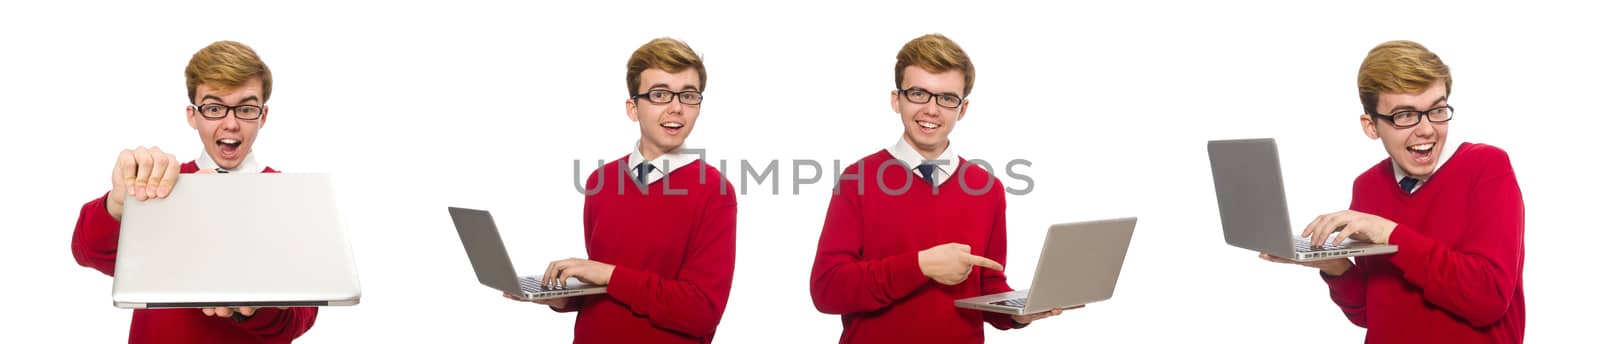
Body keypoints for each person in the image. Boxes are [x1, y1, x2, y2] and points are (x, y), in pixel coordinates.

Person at [808, 33, 1069, 343]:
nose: (931, 110)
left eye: (947, 98)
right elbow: (827, 290)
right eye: (918, 93)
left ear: (963, 109)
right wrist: (920, 266)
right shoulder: (857, 180)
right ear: (897, 100)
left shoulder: (987, 189)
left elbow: (988, 286)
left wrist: (1016, 312)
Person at [1261, 40, 1525, 343]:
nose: (1426, 129)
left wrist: (1389, 233)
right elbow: (1371, 313)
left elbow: (1487, 299)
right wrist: (1334, 266)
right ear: (1371, 126)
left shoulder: (1487, 167)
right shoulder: (1368, 187)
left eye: (1436, 110)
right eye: (1404, 115)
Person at [70, 40, 318, 343]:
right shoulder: (158, 185)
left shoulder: (289, 198)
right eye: (214, 108)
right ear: (192, 115)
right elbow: (90, 253)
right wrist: (120, 203)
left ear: (262, 116)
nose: (231, 124)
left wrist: (253, 307)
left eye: (246, 108)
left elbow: (299, 320)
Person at [501, 37, 737, 343]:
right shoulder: (602, 181)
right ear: (633, 108)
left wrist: (608, 274)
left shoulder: (715, 192)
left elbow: (701, 313)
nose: (676, 108)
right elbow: (607, 291)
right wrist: (562, 298)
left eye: (688, 95)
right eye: (660, 94)